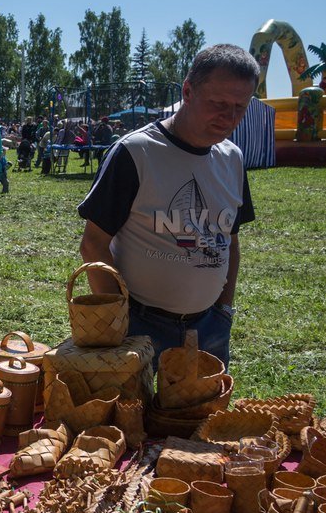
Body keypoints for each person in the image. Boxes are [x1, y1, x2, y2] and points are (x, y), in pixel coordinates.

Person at [78, 44, 259, 368]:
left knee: (202, 419)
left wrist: (224, 310)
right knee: (132, 419)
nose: (229, 118)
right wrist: (117, 320)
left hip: (210, 328)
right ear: (188, 91)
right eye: (218, 103)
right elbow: (93, 245)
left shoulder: (232, 158)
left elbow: (231, 241)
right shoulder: (135, 153)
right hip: (138, 326)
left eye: (240, 107)